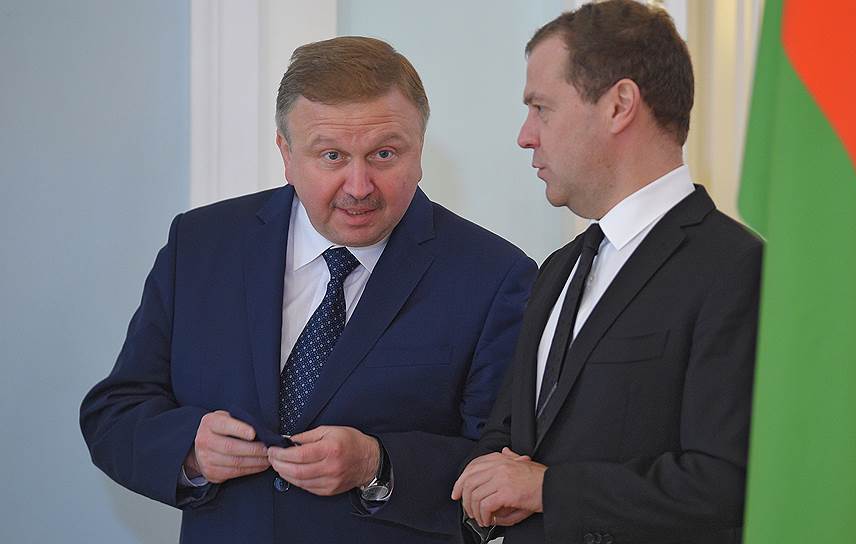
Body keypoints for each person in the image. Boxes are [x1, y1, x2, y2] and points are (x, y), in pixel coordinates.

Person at [80, 36, 536, 543]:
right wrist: (189, 449)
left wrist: (378, 466)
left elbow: (505, 467)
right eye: (332, 156)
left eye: (384, 154)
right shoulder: (202, 244)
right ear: (286, 153)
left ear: (420, 149)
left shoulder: (496, 276)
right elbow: (115, 414)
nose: (359, 186)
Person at [452, 2, 763, 542]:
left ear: (619, 105)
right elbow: (511, 436)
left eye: (541, 108)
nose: (526, 135)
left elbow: (725, 481)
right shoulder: (558, 269)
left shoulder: (735, 266)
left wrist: (548, 489)